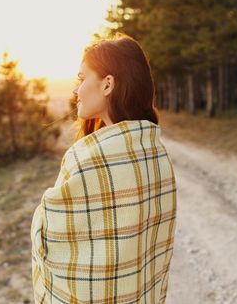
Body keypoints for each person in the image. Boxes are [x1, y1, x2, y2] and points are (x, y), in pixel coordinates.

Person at [30, 32, 177, 303]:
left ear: (107, 84)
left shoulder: (90, 159)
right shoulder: (156, 153)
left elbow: (48, 233)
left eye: (82, 78)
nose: (76, 90)